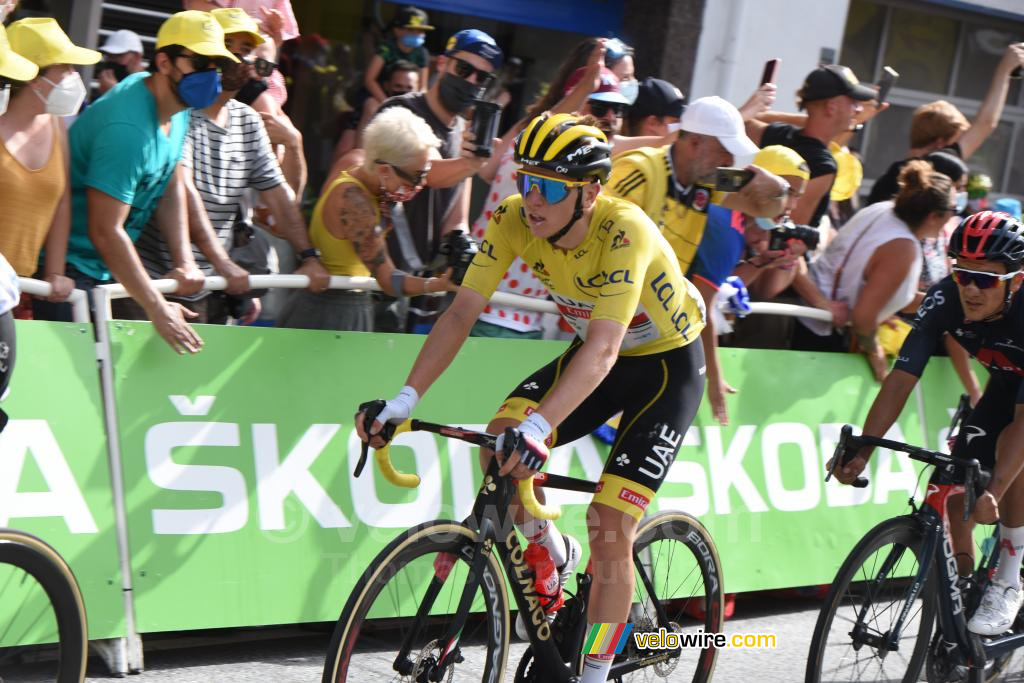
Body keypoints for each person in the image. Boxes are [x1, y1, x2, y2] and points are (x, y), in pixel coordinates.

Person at [356, 113, 706, 683]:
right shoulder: (514, 219)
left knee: (609, 524)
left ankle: (594, 671)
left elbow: (603, 349)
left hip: (664, 367)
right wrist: (403, 398)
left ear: (590, 191)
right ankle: (550, 554)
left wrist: (541, 428)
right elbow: (462, 312)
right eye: (525, 180)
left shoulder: (625, 230)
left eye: (548, 187)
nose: (531, 199)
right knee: (496, 445)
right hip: (599, 354)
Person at [834, 210, 1024, 636]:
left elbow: (1021, 426)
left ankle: (1009, 579)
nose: (972, 289)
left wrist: (995, 491)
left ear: (1016, 278)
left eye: (987, 279)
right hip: (1009, 381)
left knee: (1009, 473)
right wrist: (863, 446)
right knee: (957, 483)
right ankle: (965, 583)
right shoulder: (945, 300)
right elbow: (901, 380)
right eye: (963, 274)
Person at [33, 10, 239, 354]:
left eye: (216, 64)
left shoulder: (177, 104)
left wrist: (184, 258)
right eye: (200, 61)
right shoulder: (127, 130)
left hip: (106, 268)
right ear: (164, 62)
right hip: (70, 273)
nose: (209, 74)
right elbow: (105, 230)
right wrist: (157, 307)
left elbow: (171, 178)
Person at [129, 7, 328, 325]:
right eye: (228, 49)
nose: (238, 60)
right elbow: (183, 190)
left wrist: (309, 257)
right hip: (153, 282)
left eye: (246, 51)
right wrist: (221, 264)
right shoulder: (181, 109)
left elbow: (279, 195)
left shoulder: (248, 119)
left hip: (210, 286)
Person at [277, 106, 455, 330]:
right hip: (330, 314)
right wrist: (439, 284)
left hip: (344, 306)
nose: (422, 184)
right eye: (417, 177)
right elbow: (388, 280)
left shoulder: (360, 173)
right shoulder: (354, 200)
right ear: (384, 171)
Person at [794, 160, 957, 380]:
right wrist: (876, 353)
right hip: (830, 337)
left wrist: (886, 308)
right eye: (952, 210)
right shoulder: (902, 248)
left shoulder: (882, 210)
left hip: (814, 322)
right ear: (933, 216)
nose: (954, 216)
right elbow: (862, 320)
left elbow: (867, 283)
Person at [609, 95, 788, 276]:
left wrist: (777, 190)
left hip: (660, 297)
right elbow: (601, 238)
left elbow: (766, 210)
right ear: (694, 143)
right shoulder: (639, 172)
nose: (730, 161)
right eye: (724, 151)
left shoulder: (711, 178)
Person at [867, 43, 1024, 205]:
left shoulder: (887, 180)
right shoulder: (934, 169)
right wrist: (1005, 71)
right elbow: (986, 124)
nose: (963, 149)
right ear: (941, 143)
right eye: (957, 140)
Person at [0, 18, 76, 316]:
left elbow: (62, 200)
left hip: (21, 292)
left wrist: (55, 272)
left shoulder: (58, 126)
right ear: (34, 77)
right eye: (65, 68)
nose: (74, 76)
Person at [746, 64, 876, 228]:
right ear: (831, 107)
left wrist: (811, 116)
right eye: (854, 102)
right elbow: (790, 230)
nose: (859, 109)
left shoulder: (780, 134)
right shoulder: (822, 165)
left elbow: (740, 121)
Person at [363, 5, 431, 107]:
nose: (417, 34)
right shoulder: (386, 49)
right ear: (397, 30)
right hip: (380, 97)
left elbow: (423, 88)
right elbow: (369, 80)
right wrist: (386, 103)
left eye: (420, 31)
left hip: (408, 102)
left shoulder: (422, 53)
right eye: (412, 30)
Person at [96, 29, 145, 96]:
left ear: (137, 56)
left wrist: (114, 92)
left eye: (119, 55)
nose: (112, 61)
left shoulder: (150, 84)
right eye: (109, 56)